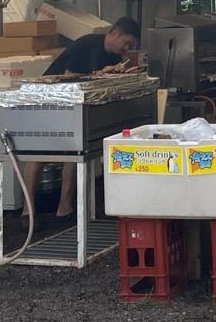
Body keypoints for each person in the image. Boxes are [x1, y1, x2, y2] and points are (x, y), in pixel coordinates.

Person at [25, 17, 140, 221]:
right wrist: (100, 74)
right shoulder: (88, 44)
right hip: (52, 99)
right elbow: (69, 75)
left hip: (76, 107)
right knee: (39, 154)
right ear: (115, 34)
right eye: (127, 44)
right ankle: (27, 211)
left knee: (75, 150)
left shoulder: (114, 57)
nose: (127, 49)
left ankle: (65, 208)